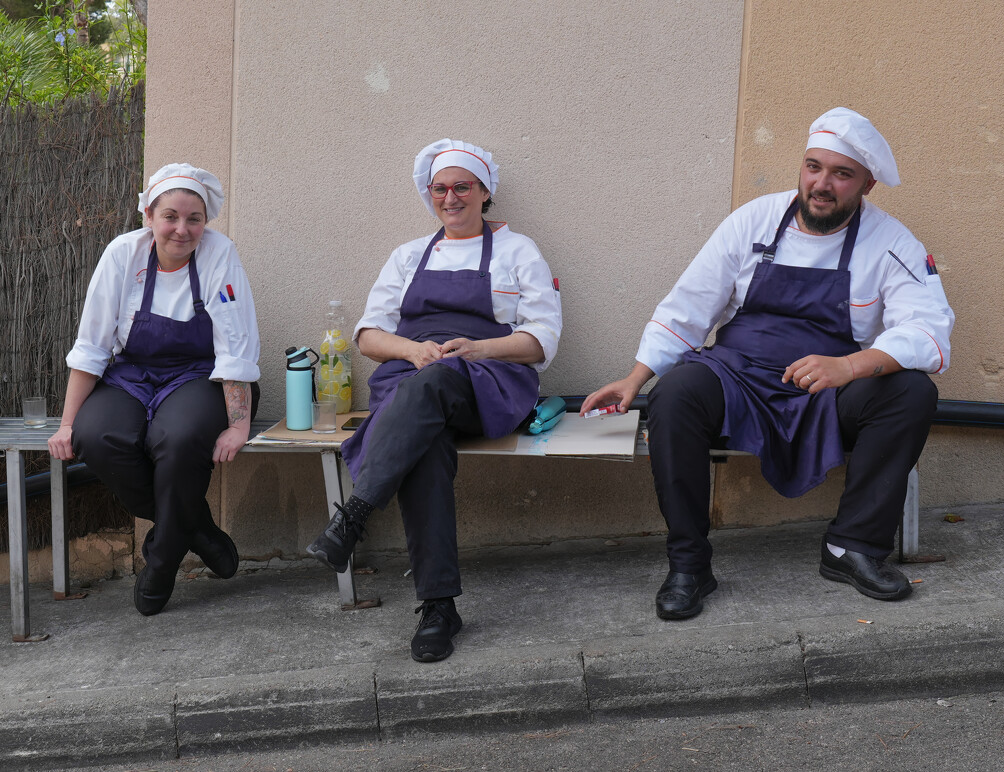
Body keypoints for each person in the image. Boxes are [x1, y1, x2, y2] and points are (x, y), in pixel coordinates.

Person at [582, 108, 954, 620]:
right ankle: (689, 563)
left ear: (867, 183)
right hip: (736, 375)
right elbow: (688, 307)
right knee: (675, 394)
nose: (822, 184)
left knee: (911, 393)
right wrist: (635, 377)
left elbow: (929, 332)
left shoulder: (891, 242)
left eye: (841, 174)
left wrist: (851, 367)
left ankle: (853, 548)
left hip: (825, 389)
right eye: (813, 167)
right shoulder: (753, 220)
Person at [306, 139, 562, 662]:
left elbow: (543, 339)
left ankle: (354, 514)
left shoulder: (518, 251)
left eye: (462, 186)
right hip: (411, 379)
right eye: (441, 188)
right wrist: (411, 349)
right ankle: (439, 607)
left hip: (487, 380)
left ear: (484, 191)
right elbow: (369, 334)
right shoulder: (408, 256)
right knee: (424, 442)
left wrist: (480, 346)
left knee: (435, 383)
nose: (450, 197)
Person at [47, 163, 261, 616]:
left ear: (206, 221)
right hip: (131, 374)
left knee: (178, 439)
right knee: (97, 435)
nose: (182, 230)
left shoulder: (219, 254)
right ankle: (195, 529)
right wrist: (67, 424)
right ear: (148, 215)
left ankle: (161, 562)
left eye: (194, 219)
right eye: (170, 216)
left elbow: (235, 344)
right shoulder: (123, 254)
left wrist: (238, 425)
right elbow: (92, 344)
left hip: (202, 376)